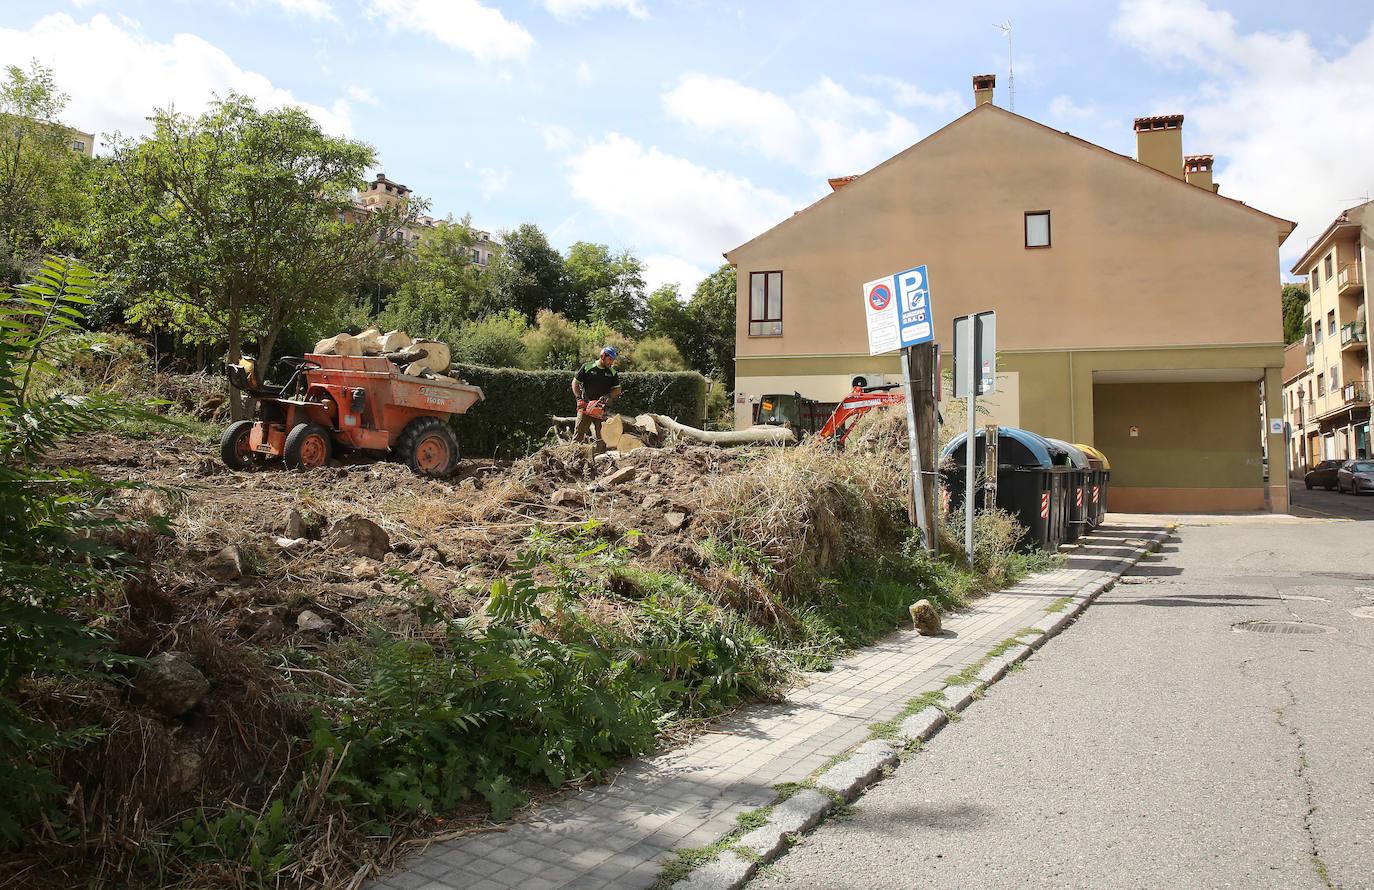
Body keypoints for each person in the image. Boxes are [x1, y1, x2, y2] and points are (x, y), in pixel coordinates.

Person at [572, 346, 622, 443]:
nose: (611, 362)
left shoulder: (612, 372)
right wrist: (579, 399)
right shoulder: (587, 367)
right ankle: (574, 455)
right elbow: (575, 383)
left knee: (603, 438)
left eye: (613, 360)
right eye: (609, 359)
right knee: (578, 435)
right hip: (586, 406)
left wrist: (608, 396)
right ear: (603, 356)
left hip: (601, 408)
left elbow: (617, 389)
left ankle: (600, 457)